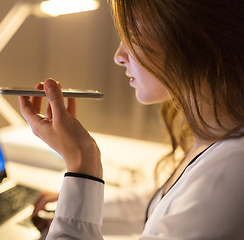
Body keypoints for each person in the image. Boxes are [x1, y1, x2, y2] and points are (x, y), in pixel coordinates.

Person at [19, 0, 244, 239]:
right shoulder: (217, 133)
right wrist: (77, 202)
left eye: (133, 36)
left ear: (192, 39)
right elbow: (161, 202)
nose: (118, 56)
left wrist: (83, 164)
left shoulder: (233, 171)